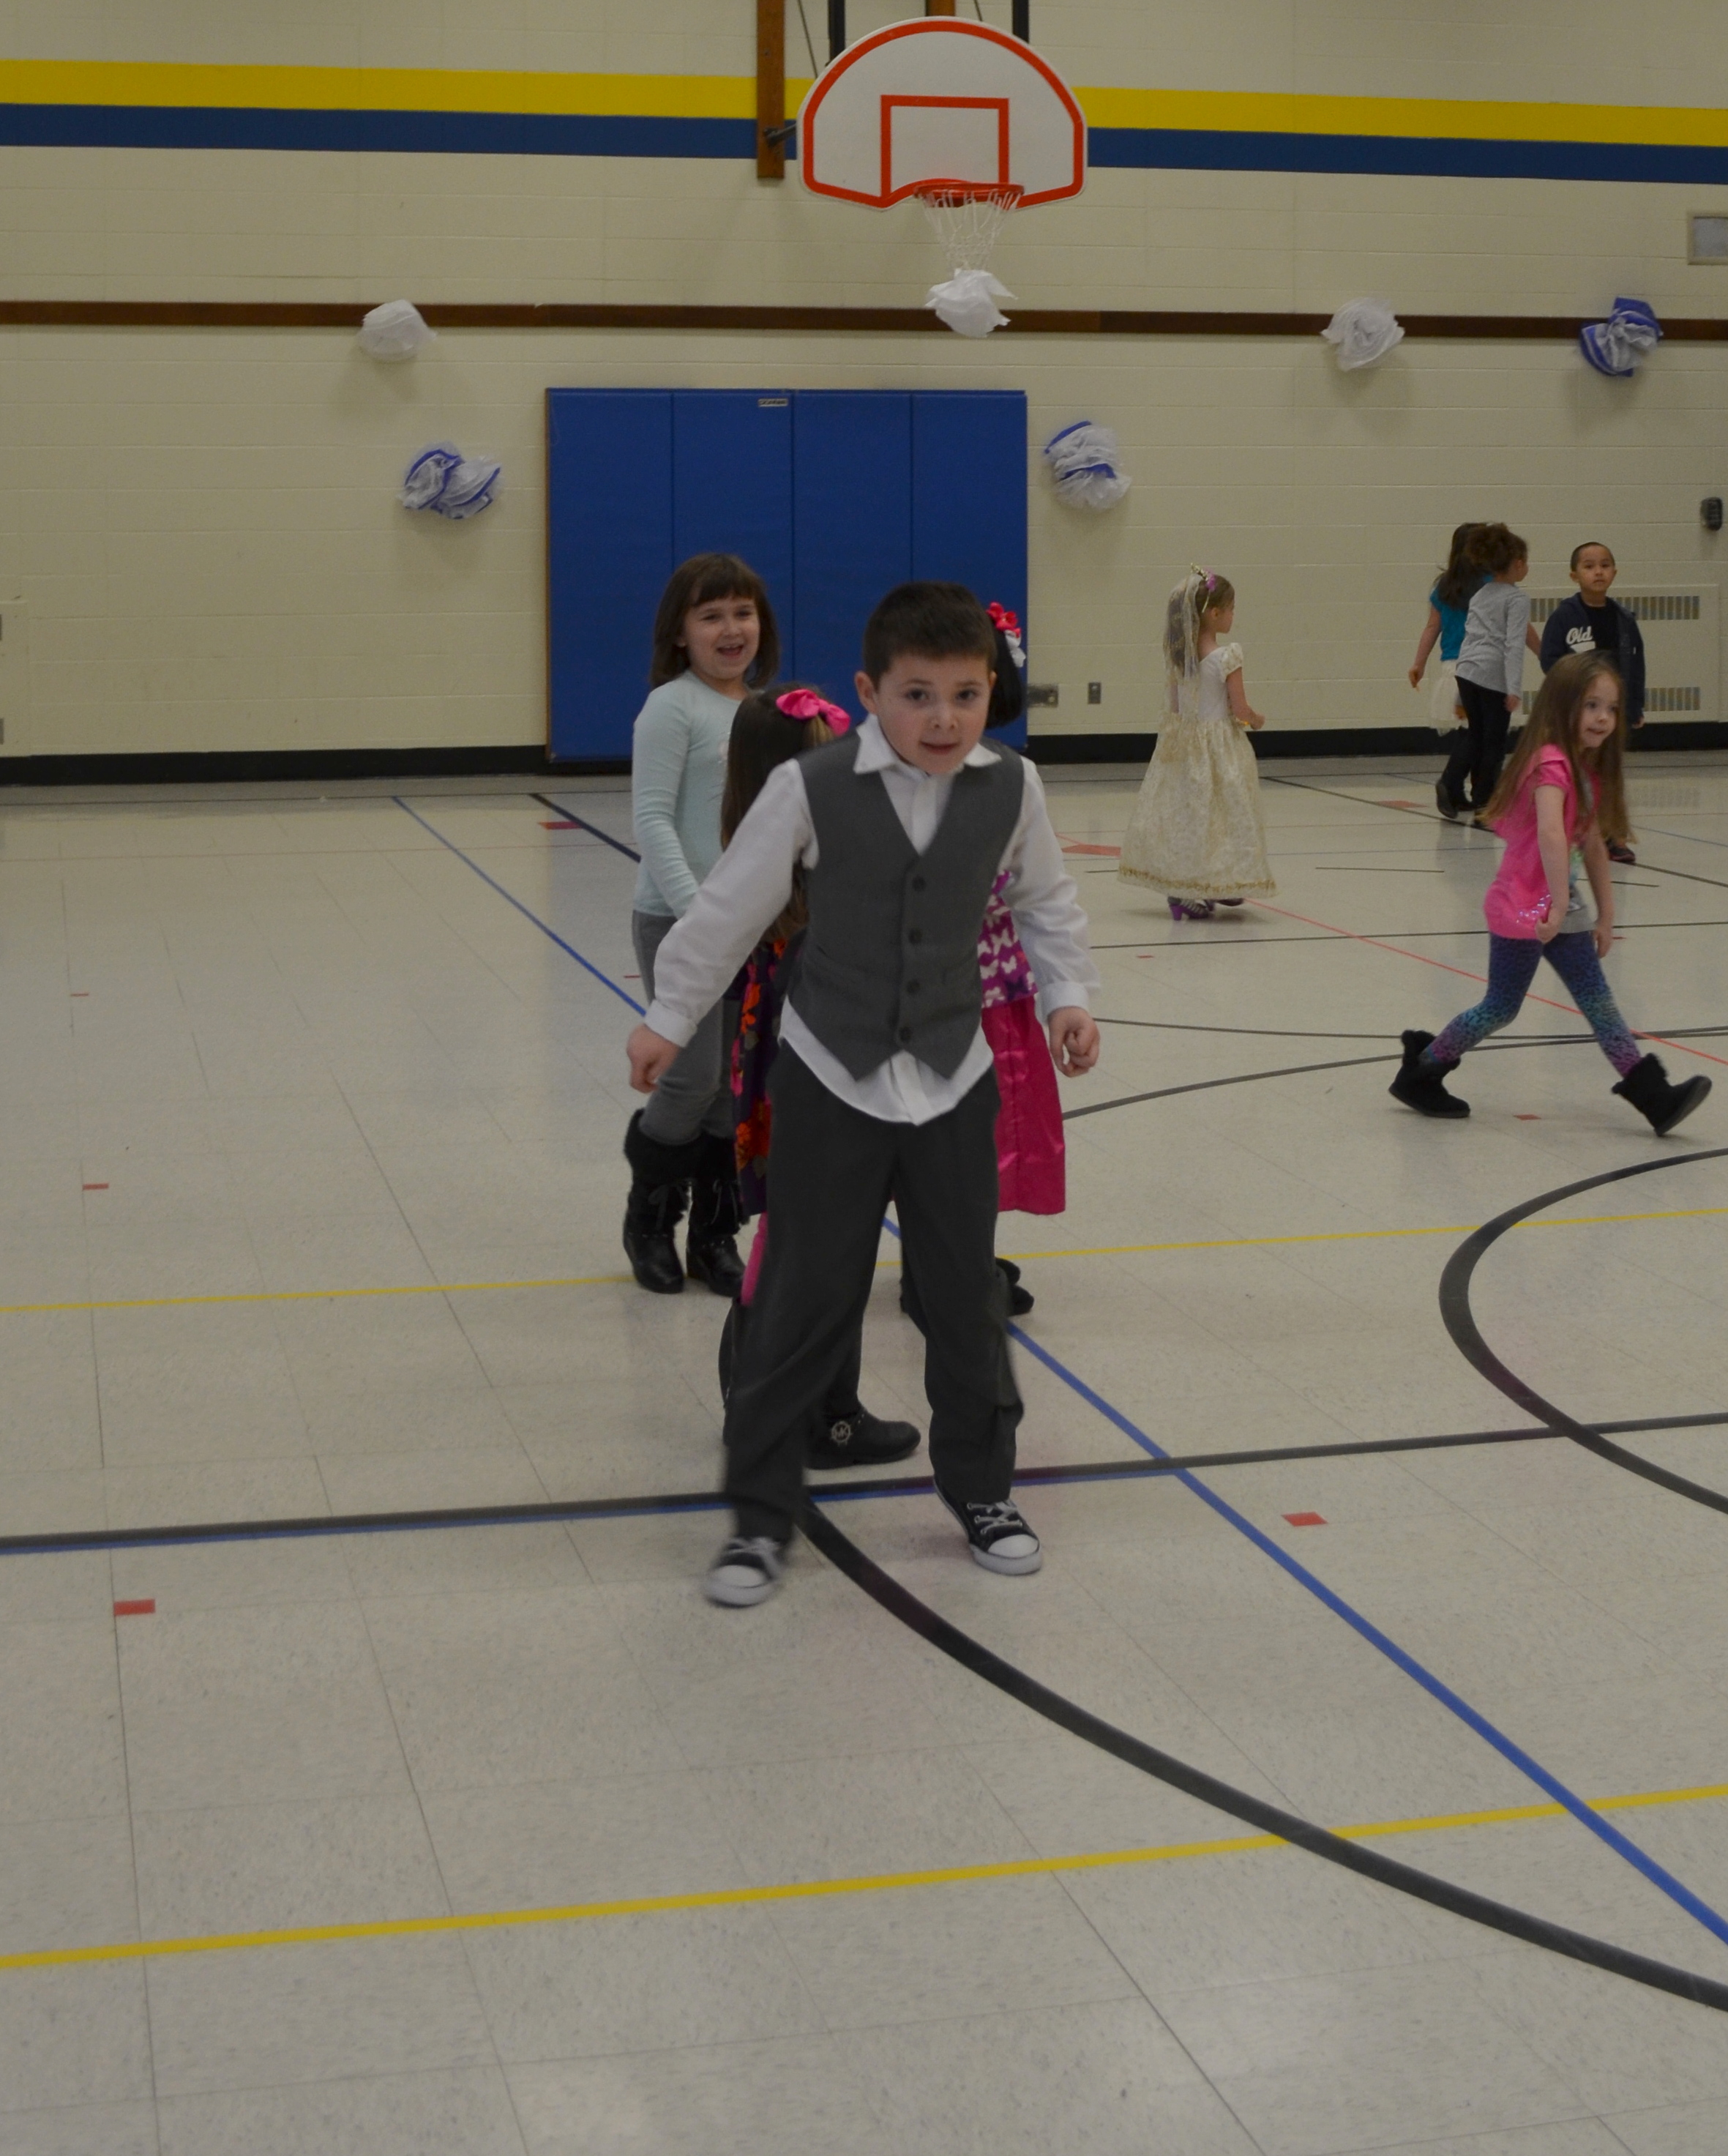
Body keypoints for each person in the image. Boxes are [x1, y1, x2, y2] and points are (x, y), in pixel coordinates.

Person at [626, 582, 1101, 1608]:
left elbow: (1046, 901)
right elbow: (727, 909)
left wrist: (1068, 996)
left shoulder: (1013, 786)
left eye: (965, 695)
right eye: (917, 694)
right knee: (802, 1297)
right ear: (869, 692)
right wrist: (669, 1016)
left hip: (951, 1077)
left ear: (990, 693)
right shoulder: (810, 787)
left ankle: (983, 1490)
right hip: (830, 1076)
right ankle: (759, 1517)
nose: (943, 718)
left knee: (963, 1299)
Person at [719, 683, 922, 1471]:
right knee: (824, 1246)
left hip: (788, 1078)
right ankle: (824, 1415)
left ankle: (755, 1397)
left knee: (791, 1241)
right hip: (812, 1084)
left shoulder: (768, 863)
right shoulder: (806, 874)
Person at [1389, 653, 1710, 1135]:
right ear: (1563, 706)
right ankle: (1423, 1069)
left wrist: (1604, 915)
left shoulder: (1585, 770)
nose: (1602, 718)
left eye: (1611, 708)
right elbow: (1550, 834)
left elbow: (1593, 843)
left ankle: (1654, 1098)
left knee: (1598, 1002)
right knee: (1501, 1007)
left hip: (1559, 906)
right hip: (1525, 907)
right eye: (1591, 706)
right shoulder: (1550, 763)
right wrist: (1557, 905)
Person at [621, 553, 779, 1299]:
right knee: (689, 1079)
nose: (730, 628)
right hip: (678, 922)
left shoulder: (766, 712)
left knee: (729, 1087)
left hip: (749, 929)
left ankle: (714, 1235)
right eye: (711, 615)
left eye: (742, 612)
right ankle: (649, 1222)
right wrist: (701, 918)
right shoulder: (672, 706)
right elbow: (653, 819)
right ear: (680, 633)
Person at [1118, 570, 1274, 920]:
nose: (1233, 615)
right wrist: (1256, 719)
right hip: (1220, 747)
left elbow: (1176, 709)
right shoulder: (1227, 656)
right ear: (1214, 614)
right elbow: (1240, 709)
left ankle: (1212, 883)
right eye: (1231, 609)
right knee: (1226, 814)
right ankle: (1194, 888)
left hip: (1186, 746)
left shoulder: (1181, 659)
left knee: (1193, 817)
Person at [1540, 541, 1645, 864]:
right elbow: (1549, 660)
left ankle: (1614, 835)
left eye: (1605, 565)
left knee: (1609, 772)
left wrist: (1634, 705)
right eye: (1589, 566)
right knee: (1573, 771)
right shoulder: (1564, 616)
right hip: (1575, 712)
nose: (1598, 572)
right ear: (1574, 575)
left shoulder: (1624, 619)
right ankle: (1570, 829)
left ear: (1614, 572)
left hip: (1610, 714)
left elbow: (1636, 664)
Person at [1443, 523, 1530, 825]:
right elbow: (1514, 645)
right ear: (1517, 564)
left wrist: (1460, 687)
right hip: (1492, 676)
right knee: (1494, 743)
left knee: (1476, 736)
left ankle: (1453, 785)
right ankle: (1485, 805)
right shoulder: (1516, 599)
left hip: (1467, 671)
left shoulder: (1480, 594)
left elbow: (1471, 637)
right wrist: (1514, 688)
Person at [1410, 521, 1483, 756]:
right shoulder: (1491, 584)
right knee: (1479, 734)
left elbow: (1432, 627)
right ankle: (1461, 775)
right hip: (1481, 665)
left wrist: (1419, 663)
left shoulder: (1445, 585)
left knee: (1472, 733)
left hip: (1453, 666)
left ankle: (1471, 774)